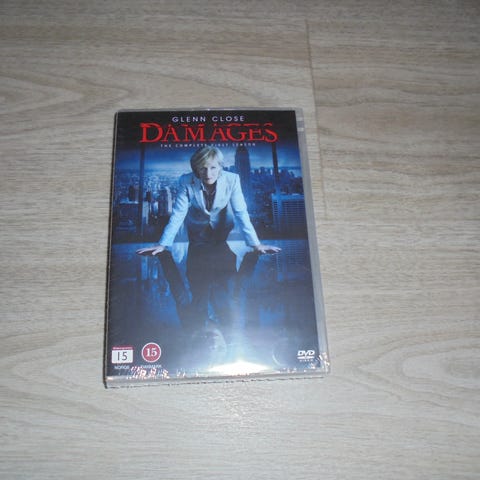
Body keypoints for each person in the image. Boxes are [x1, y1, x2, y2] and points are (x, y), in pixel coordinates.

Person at [137, 146, 280, 335]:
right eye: (202, 168)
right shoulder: (186, 181)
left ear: (220, 167)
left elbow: (241, 212)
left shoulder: (232, 179)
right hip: (197, 236)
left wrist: (255, 244)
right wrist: (163, 245)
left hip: (221, 235)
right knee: (200, 246)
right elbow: (178, 214)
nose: (208, 173)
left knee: (220, 243)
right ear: (196, 168)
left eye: (213, 168)